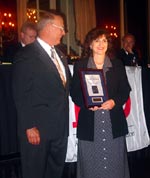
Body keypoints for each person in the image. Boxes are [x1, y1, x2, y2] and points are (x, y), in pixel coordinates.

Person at [12, 10, 70, 178]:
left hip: (59, 128)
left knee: (55, 172)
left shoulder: (60, 54)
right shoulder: (26, 54)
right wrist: (29, 126)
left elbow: (65, 88)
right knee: (35, 173)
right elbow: (21, 93)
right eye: (61, 28)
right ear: (50, 28)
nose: (64, 32)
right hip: (37, 129)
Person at [70, 28, 131, 178]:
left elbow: (125, 91)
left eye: (104, 40)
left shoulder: (117, 65)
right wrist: (87, 104)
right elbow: (75, 93)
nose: (100, 44)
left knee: (115, 164)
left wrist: (114, 102)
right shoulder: (80, 65)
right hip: (90, 123)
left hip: (113, 121)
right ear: (90, 44)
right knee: (91, 165)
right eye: (97, 40)